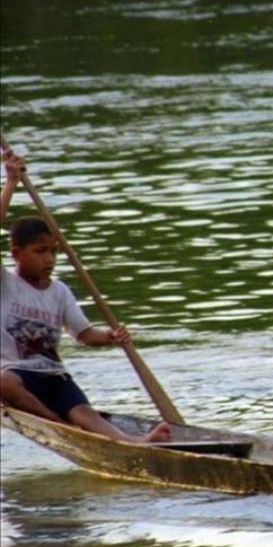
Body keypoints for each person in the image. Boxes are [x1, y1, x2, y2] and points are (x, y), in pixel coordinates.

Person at [0, 151, 171, 443]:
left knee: (84, 413)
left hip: (54, 376)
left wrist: (110, 336)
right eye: (40, 252)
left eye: (53, 251)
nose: (49, 260)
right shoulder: (6, 284)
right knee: (2, 383)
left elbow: (84, 334)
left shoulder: (60, 291)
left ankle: (135, 443)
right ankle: (57, 423)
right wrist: (11, 183)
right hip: (18, 376)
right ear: (17, 254)